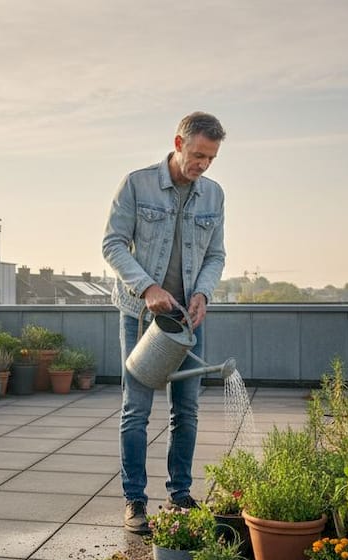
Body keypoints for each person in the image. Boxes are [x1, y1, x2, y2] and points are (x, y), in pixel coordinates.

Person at [101, 111, 227, 533]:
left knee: (187, 411)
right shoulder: (136, 184)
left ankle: (180, 496)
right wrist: (148, 288)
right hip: (140, 315)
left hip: (188, 319)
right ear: (178, 143)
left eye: (210, 158)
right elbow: (113, 244)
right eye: (197, 155)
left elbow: (216, 255)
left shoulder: (214, 195)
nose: (203, 165)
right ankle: (135, 501)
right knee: (136, 410)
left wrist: (204, 292)